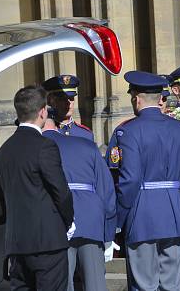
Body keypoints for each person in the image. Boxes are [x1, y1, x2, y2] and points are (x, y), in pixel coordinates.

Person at [110, 71, 180, 291]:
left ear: (136, 99)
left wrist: (117, 218)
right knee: (172, 283)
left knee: (144, 284)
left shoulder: (127, 131)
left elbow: (128, 180)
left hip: (141, 214)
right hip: (174, 213)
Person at [0, 85, 74, 291]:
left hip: (16, 243)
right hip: (47, 242)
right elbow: (61, 192)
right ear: (42, 112)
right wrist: (67, 223)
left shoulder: (4, 150)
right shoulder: (44, 146)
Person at [42, 118, 116, 291]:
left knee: (62, 283)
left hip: (57, 220)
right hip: (91, 219)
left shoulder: (38, 148)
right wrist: (109, 232)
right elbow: (107, 192)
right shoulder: (86, 145)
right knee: (96, 283)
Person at [42, 74, 94, 141]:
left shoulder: (85, 134)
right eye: (62, 99)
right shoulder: (44, 133)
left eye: (71, 98)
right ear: (51, 101)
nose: (68, 103)